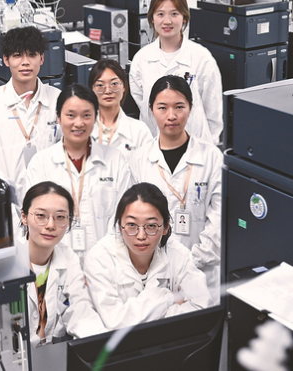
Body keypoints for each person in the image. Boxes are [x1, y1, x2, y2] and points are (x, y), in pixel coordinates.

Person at [129, 75, 222, 304]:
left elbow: (219, 223)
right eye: (162, 107)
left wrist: (186, 265)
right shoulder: (138, 159)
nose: (171, 116)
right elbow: (131, 220)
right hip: (153, 276)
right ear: (151, 110)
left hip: (202, 274)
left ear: (190, 108)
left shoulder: (212, 157)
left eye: (179, 107)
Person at [25, 84, 131, 265]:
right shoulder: (41, 163)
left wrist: (104, 264)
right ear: (58, 117)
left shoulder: (116, 160)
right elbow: (35, 221)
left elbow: (124, 217)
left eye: (86, 115)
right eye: (71, 115)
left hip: (107, 265)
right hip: (57, 264)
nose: (79, 123)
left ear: (96, 117)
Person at [84, 182, 212, 330]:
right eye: (132, 225)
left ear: (166, 227)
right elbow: (115, 322)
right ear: (120, 226)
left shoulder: (178, 254)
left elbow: (202, 308)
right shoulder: (99, 259)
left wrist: (141, 317)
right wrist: (167, 297)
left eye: (151, 226)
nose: (141, 236)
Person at [0, 26, 60, 205]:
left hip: (51, 201)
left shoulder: (57, 99)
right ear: (6, 60)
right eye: (17, 55)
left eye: (32, 55)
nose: (25, 62)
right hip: (6, 204)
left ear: (42, 58)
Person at [129, 0, 222, 145]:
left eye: (174, 14)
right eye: (160, 14)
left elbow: (213, 110)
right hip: (154, 145)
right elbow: (143, 104)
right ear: (152, 19)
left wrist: (209, 148)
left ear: (184, 18)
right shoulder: (141, 60)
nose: (167, 21)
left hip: (196, 145)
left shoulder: (202, 58)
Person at [21, 181, 106, 346]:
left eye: (60, 217)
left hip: (49, 352)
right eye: (41, 216)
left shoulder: (67, 257)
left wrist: (102, 344)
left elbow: (80, 309)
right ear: (24, 217)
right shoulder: (8, 263)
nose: (50, 225)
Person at [89, 59, 152, 159]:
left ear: (124, 86)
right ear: (92, 89)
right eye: (100, 85)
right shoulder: (83, 129)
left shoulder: (140, 131)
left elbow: (149, 166)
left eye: (114, 84)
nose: (108, 91)